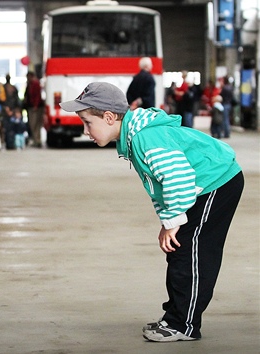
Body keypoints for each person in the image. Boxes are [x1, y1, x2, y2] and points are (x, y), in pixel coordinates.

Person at [60, 82, 244, 343]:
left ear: (110, 117)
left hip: (215, 182)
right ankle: (175, 317)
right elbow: (159, 187)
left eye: (88, 123)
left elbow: (177, 177)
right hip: (199, 187)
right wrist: (167, 220)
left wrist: (172, 222)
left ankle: (184, 324)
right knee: (179, 250)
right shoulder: (134, 137)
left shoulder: (146, 137)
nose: (85, 130)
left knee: (192, 252)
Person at [0, 74, 21, 149]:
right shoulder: (13, 88)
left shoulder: (4, 88)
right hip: (10, 111)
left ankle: (10, 143)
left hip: (7, 111)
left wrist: (6, 108)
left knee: (7, 128)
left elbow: (2, 100)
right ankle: (10, 143)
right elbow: (17, 101)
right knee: (11, 128)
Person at [22, 71, 44, 147]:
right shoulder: (30, 84)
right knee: (32, 124)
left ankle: (37, 140)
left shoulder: (35, 84)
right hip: (31, 107)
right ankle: (36, 139)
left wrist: (35, 105)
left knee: (35, 124)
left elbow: (37, 96)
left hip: (36, 108)